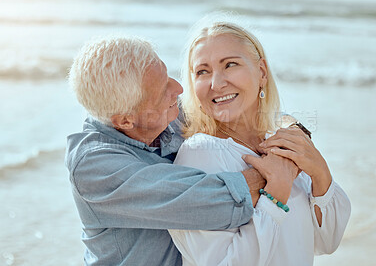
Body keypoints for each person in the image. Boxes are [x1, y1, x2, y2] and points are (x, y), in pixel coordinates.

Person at [65, 35, 278, 265]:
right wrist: (277, 168)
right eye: (162, 91)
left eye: (167, 76)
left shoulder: (164, 113)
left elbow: (241, 117)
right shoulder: (95, 168)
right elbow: (213, 203)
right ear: (125, 121)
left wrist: (292, 129)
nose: (178, 89)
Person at [168, 20, 351, 266]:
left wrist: (319, 170)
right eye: (203, 71)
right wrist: (277, 190)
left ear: (262, 72)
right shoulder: (199, 153)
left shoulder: (281, 143)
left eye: (230, 64)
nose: (216, 83)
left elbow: (327, 241)